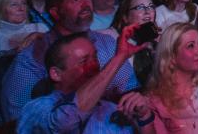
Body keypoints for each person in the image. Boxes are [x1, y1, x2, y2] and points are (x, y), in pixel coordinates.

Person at [0, 0, 139, 123]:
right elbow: (18, 118)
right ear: (56, 12)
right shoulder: (33, 57)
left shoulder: (106, 43)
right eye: (76, 0)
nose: (86, 4)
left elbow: (130, 90)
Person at [17, 27, 154, 134]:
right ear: (56, 74)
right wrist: (120, 57)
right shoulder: (37, 108)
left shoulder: (110, 108)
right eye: (83, 61)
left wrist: (145, 117)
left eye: (95, 58)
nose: (94, 66)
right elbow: (64, 122)